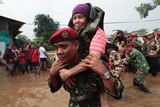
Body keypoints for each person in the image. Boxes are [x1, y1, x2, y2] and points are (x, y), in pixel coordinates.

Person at [48, 28, 124, 107]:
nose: (59, 52)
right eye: (56, 48)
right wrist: (52, 74)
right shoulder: (61, 66)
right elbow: (54, 88)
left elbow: (117, 93)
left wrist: (104, 73)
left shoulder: (93, 63)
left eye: (63, 47)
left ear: (76, 45)